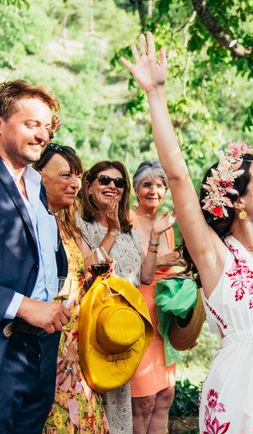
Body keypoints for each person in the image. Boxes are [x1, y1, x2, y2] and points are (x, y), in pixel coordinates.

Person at [121, 32, 253, 433]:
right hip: (239, 393)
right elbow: (178, 176)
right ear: (238, 201)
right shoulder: (215, 256)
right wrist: (155, 94)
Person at [76, 160, 171, 434]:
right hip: (96, 330)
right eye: (104, 180)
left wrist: (153, 238)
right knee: (94, 410)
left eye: (119, 182)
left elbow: (145, 277)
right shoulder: (82, 224)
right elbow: (88, 270)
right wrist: (111, 233)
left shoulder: (128, 229)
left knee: (120, 413)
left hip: (124, 333)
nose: (112, 186)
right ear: (89, 185)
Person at [0, 80, 70, 433]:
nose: (43, 135)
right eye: (31, 124)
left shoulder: (38, 183)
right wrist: (23, 305)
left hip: (41, 346)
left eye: (47, 126)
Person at [35, 143, 110, 433]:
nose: (76, 183)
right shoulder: (33, 224)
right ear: (39, 176)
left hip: (77, 341)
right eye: (66, 175)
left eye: (77, 175)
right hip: (50, 342)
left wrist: (93, 275)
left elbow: (79, 280)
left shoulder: (68, 223)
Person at [130, 160, 184, 434]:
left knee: (164, 397)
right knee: (143, 401)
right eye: (147, 185)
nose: (154, 191)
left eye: (160, 185)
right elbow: (138, 271)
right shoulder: (128, 220)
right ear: (136, 189)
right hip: (140, 321)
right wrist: (167, 259)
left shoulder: (168, 225)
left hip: (164, 320)